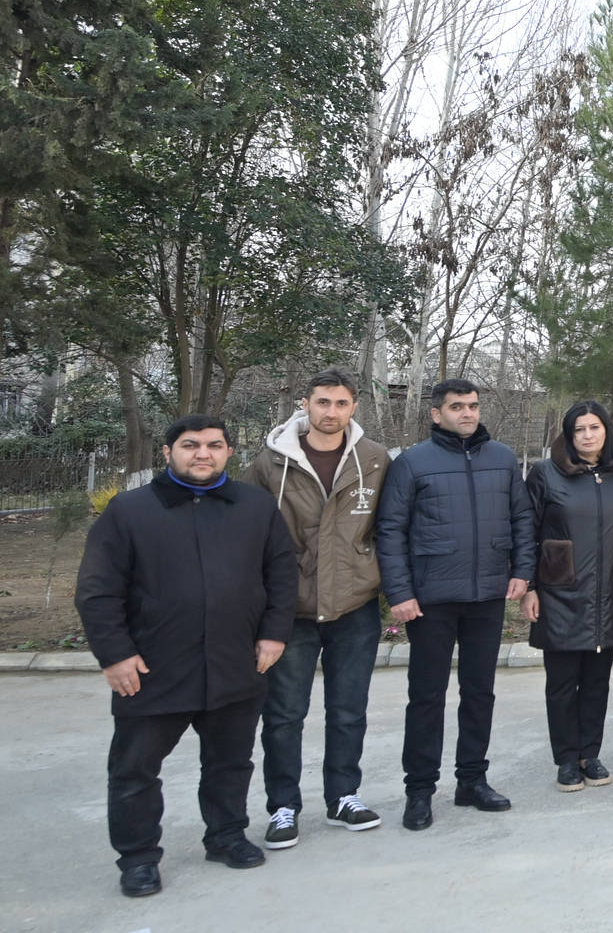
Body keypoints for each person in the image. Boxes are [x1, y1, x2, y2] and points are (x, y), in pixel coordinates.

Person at [75, 415, 296, 896]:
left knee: (230, 763)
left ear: (229, 452)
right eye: (190, 445)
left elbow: (281, 575)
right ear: (168, 452)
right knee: (135, 770)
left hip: (236, 662)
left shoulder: (255, 507)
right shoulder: (129, 510)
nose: (203, 454)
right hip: (152, 668)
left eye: (214, 445)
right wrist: (115, 655)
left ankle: (226, 836)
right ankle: (138, 858)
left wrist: (274, 635)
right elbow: (97, 590)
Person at [376, 378, 536, 831]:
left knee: (479, 693)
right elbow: (391, 529)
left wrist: (522, 570)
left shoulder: (502, 459)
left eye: (473, 406)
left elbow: (522, 518)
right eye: (457, 406)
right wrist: (400, 592)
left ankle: (472, 780)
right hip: (432, 599)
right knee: (426, 697)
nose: (467, 413)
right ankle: (419, 791)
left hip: (487, 595)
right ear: (437, 413)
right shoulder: (412, 463)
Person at [242, 369, 391, 850]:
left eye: (341, 403)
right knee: (284, 714)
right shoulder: (272, 462)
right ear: (305, 404)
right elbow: (247, 532)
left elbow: (388, 527)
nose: (331, 412)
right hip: (292, 609)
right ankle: (283, 806)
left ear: (354, 407)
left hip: (354, 606)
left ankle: (344, 796)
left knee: (348, 710)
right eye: (323, 402)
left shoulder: (374, 459)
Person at [524, 401, 613, 792]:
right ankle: (566, 759)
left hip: (609, 591)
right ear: (568, 435)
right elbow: (527, 531)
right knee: (561, 683)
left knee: (597, 682)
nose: (588, 435)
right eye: (579, 429)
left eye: (595, 427)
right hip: (559, 592)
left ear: (607, 430)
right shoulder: (545, 473)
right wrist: (529, 587)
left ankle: (590, 754)